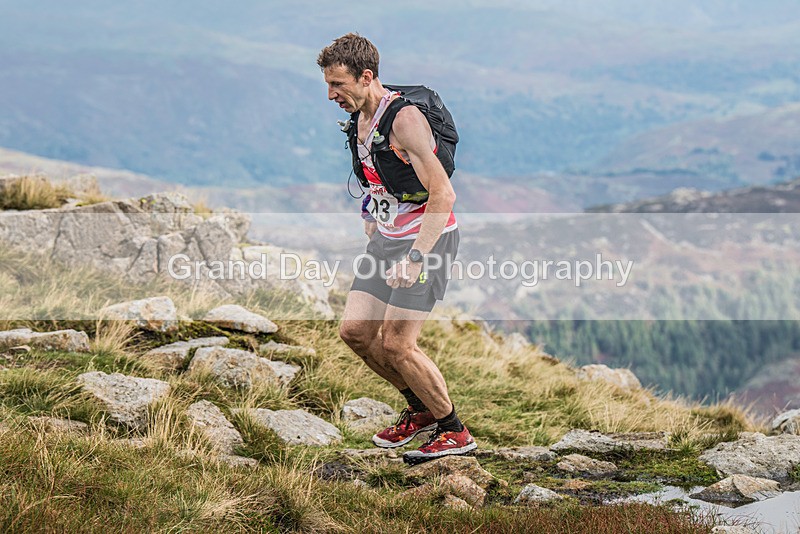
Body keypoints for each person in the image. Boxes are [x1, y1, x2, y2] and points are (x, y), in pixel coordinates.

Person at [317, 33, 476, 464]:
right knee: (355, 332)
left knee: (397, 344)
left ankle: (454, 431)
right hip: (387, 239)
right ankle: (420, 409)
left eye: (338, 84)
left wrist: (415, 257)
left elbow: (443, 194)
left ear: (366, 76)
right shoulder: (359, 118)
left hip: (427, 241)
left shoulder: (404, 120)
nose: (331, 95)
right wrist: (370, 212)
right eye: (328, 85)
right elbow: (375, 172)